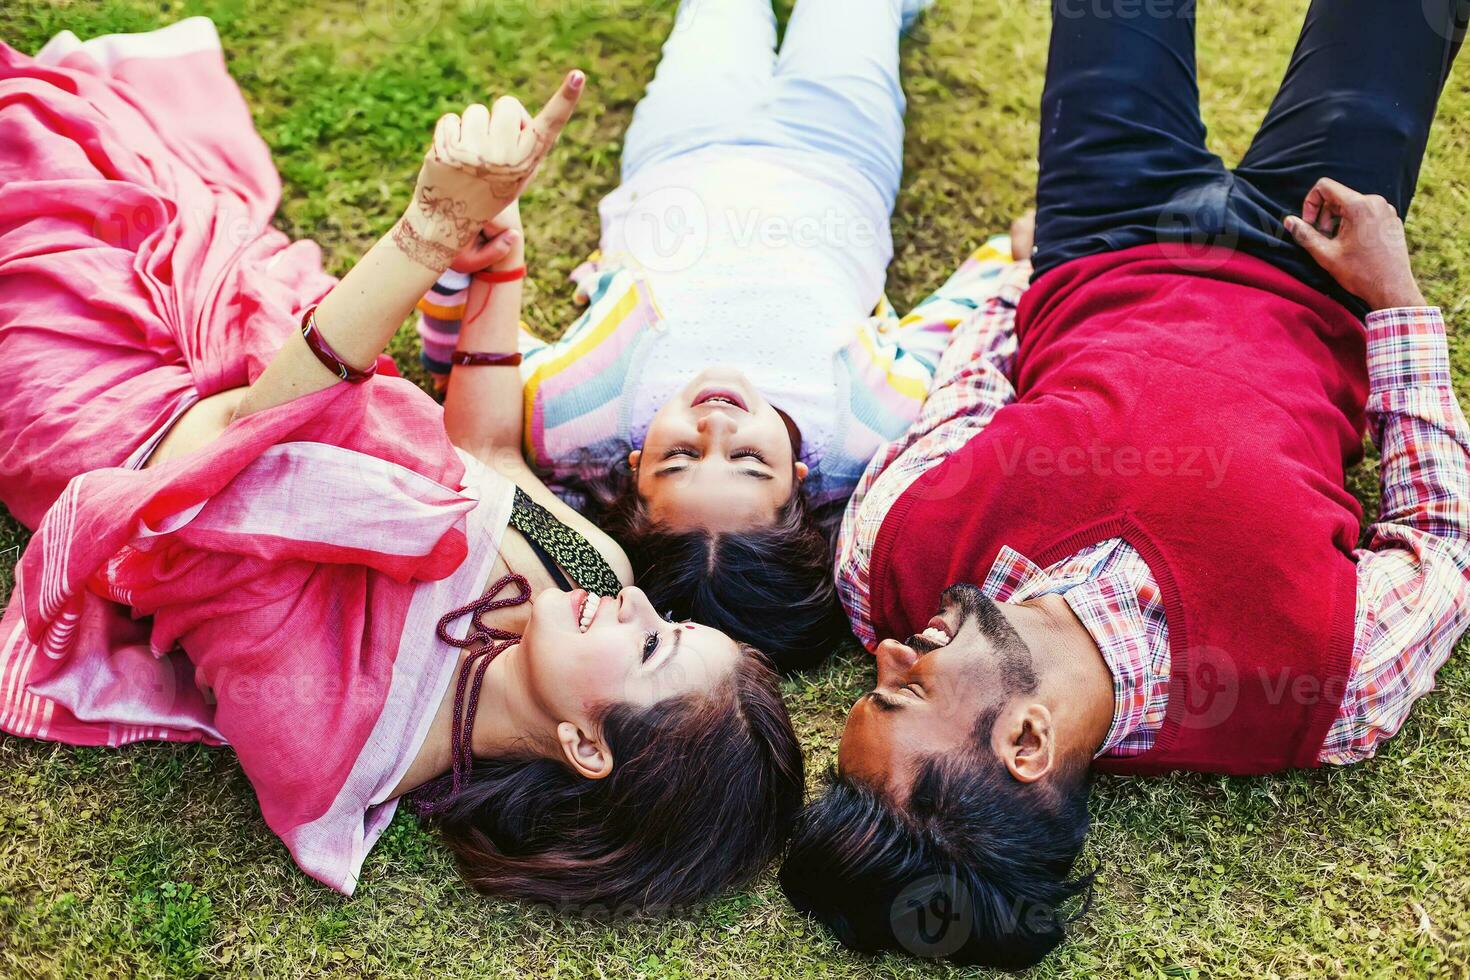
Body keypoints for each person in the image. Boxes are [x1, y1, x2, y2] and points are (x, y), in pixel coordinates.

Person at [0, 17, 803, 910]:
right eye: (672, 619)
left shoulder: (332, 740)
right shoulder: (590, 572)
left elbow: (217, 457)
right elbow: (483, 455)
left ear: (586, 745)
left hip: (120, 407)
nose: (639, 600)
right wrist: (499, 276)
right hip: (283, 332)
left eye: (654, 643)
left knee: (32, 172)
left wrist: (428, 233)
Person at [778, 0, 1470, 968]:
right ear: (1025, 743)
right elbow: (1441, 539)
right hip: (1316, 271)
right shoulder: (1320, 685)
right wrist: (1394, 301)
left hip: (1099, 230)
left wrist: (1017, 275)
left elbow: (971, 390)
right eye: (901, 692)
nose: (886, 653)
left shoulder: (884, 559)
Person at [416, 0, 1018, 669]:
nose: (717, 428)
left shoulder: (577, 412)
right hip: (840, 154)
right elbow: (952, 330)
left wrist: (451, 271)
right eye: (749, 463)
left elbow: (462, 360)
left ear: (634, 468)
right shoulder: (863, 427)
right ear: (799, 479)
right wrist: (1008, 258)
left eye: (679, 459)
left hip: (681, 146)